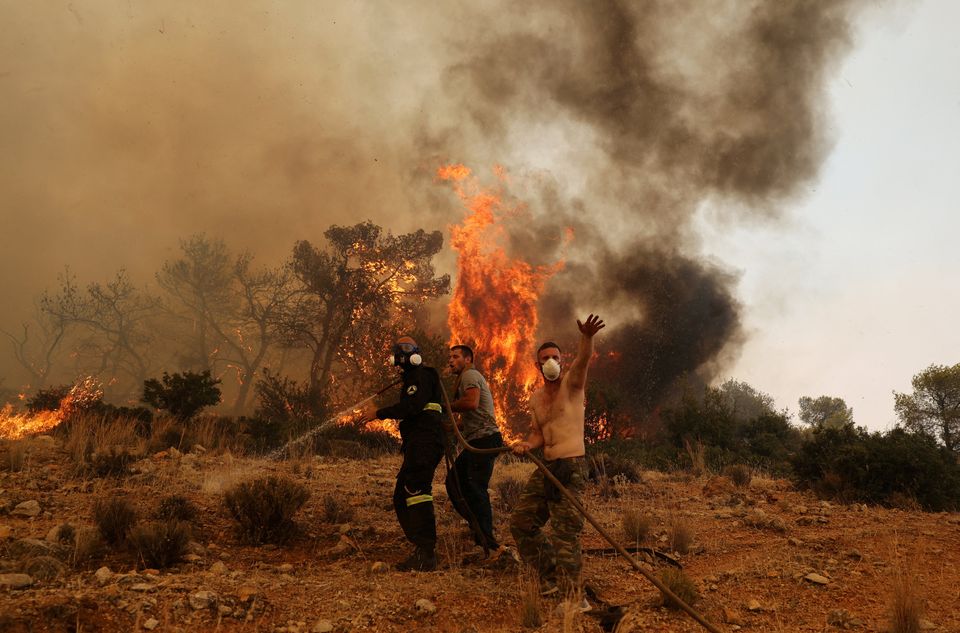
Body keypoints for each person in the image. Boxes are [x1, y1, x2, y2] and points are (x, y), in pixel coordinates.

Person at [509, 314, 605, 606]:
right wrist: (527, 443)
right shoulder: (536, 398)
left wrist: (587, 337)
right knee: (522, 523)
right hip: (547, 467)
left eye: (555, 357)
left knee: (565, 535)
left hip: (571, 467)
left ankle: (575, 598)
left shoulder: (573, 386)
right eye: (545, 358)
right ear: (537, 365)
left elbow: (584, 360)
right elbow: (539, 433)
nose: (550, 361)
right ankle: (549, 577)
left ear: (562, 361)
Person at [362, 336, 445, 572]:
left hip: (425, 441)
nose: (403, 352)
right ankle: (421, 547)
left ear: (417, 353)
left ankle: (426, 553)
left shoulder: (422, 376)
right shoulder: (411, 379)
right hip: (417, 443)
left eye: (408, 348)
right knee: (401, 496)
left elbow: (412, 407)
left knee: (416, 490)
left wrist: (378, 413)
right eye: (400, 349)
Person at [444, 344, 507, 561]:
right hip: (477, 439)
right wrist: (449, 427)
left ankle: (488, 542)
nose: (450, 360)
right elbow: (469, 418)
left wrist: (445, 407)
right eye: (449, 357)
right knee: (454, 482)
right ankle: (477, 527)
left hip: (485, 439)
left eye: (455, 356)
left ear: (468, 359)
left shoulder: (469, 374)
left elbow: (471, 403)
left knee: (475, 487)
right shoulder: (465, 377)